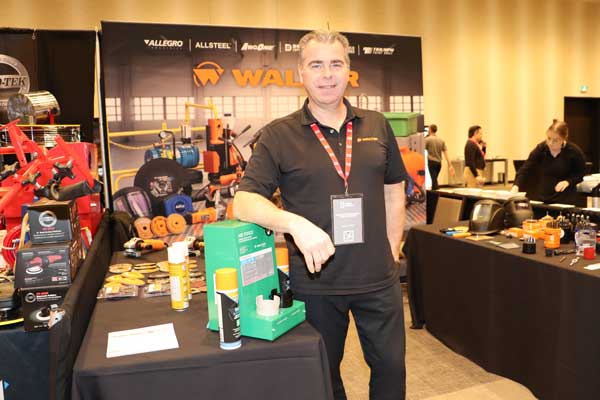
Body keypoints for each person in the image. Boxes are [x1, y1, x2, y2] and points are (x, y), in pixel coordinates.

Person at [233, 30, 408, 400]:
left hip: (378, 280)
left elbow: (394, 189)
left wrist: (392, 251)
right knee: (323, 379)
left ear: (348, 71)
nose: (327, 74)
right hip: (315, 283)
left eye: (335, 64)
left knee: (391, 372)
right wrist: (294, 223)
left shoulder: (377, 124)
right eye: (316, 65)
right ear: (301, 72)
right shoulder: (279, 135)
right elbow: (244, 202)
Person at [511, 119, 585, 204]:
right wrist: (516, 186)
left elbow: (580, 174)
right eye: (549, 138)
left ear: (564, 139)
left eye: (555, 140)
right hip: (543, 197)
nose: (550, 143)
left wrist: (568, 182)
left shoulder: (574, 152)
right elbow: (525, 168)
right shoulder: (541, 149)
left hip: (565, 198)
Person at [424, 124, 454, 190]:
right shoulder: (441, 140)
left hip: (431, 162)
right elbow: (445, 153)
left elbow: (421, 148)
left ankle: (435, 194)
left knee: (434, 181)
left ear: (430, 130)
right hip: (439, 163)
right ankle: (434, 192)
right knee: (434, 180)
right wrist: (450, 165)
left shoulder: (427, 139)